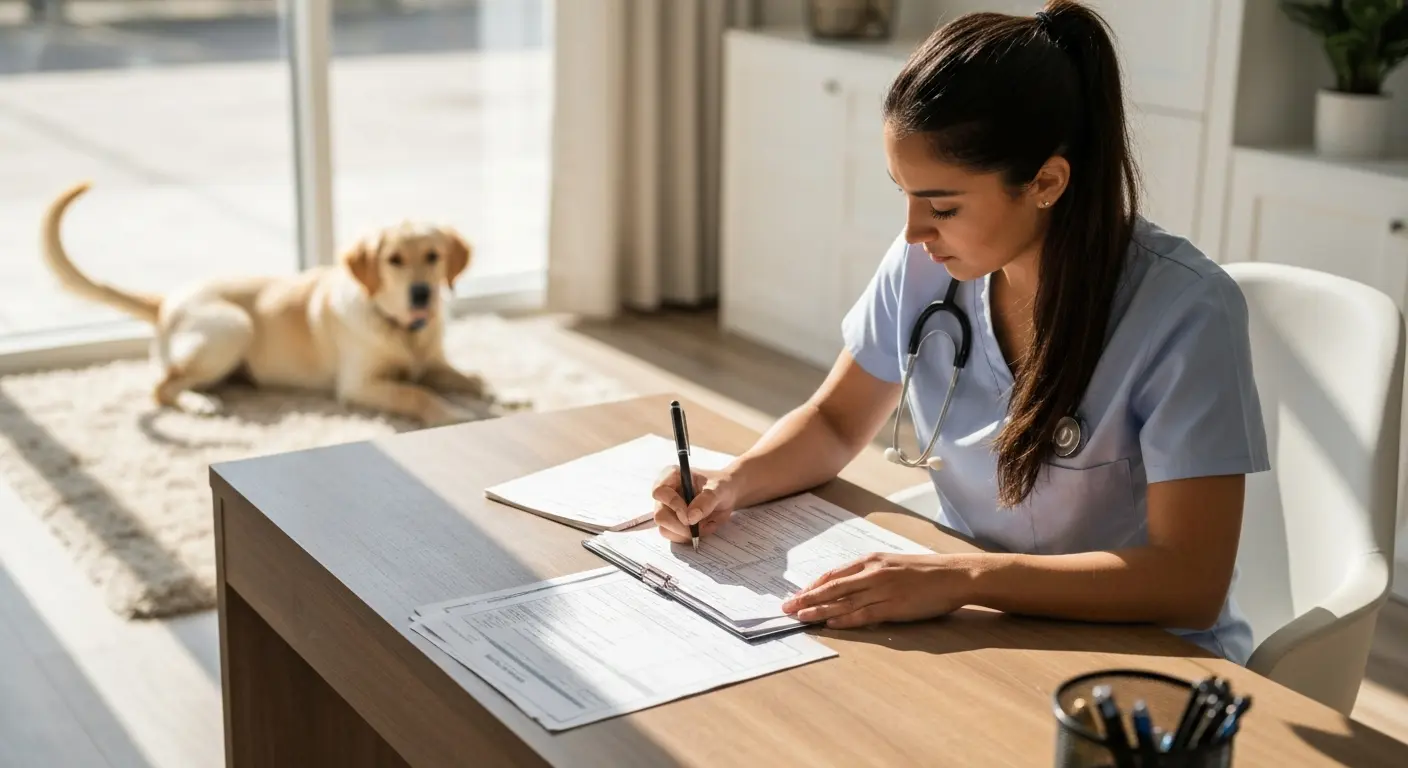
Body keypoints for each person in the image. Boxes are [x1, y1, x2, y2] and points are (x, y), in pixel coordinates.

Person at [649, 0, 1270, 664]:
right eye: (905, 194)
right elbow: (835, 421)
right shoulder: (927, 263)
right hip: (978, 625)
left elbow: (1189, 582)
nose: (914, 231)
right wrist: (733, 483)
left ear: (1047, 182)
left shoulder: (1186, 312)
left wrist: (964, 579)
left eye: (942, 204)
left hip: (1138, 657)